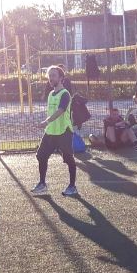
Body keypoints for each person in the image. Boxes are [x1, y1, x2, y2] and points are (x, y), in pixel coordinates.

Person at [32, 65, 78, 197]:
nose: (50, 78)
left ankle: (72, 186)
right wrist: (47, 124)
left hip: (64, 131)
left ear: (61, 78)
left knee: (68, 158)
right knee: (41, 156)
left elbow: (61, 110)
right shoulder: (51, 94)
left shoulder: (65, 94)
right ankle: (42, 184)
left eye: (53, 75)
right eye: (49, 76)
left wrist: (46, 121)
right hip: (51, 131)